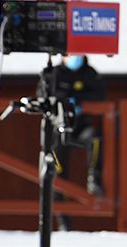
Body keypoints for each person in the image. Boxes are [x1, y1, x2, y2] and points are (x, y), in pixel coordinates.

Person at [38, 54, 106, 231]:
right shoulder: (54, 73)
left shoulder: (89, 73)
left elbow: (100, 94)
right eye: (70, 54)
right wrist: (65, 100)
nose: (74, 57)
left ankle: (94, 179)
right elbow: (42, 95)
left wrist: (81, 101)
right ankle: (63, 221)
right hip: (59, 130)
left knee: (96, 138)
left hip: (82, 128)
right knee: (58, 173)